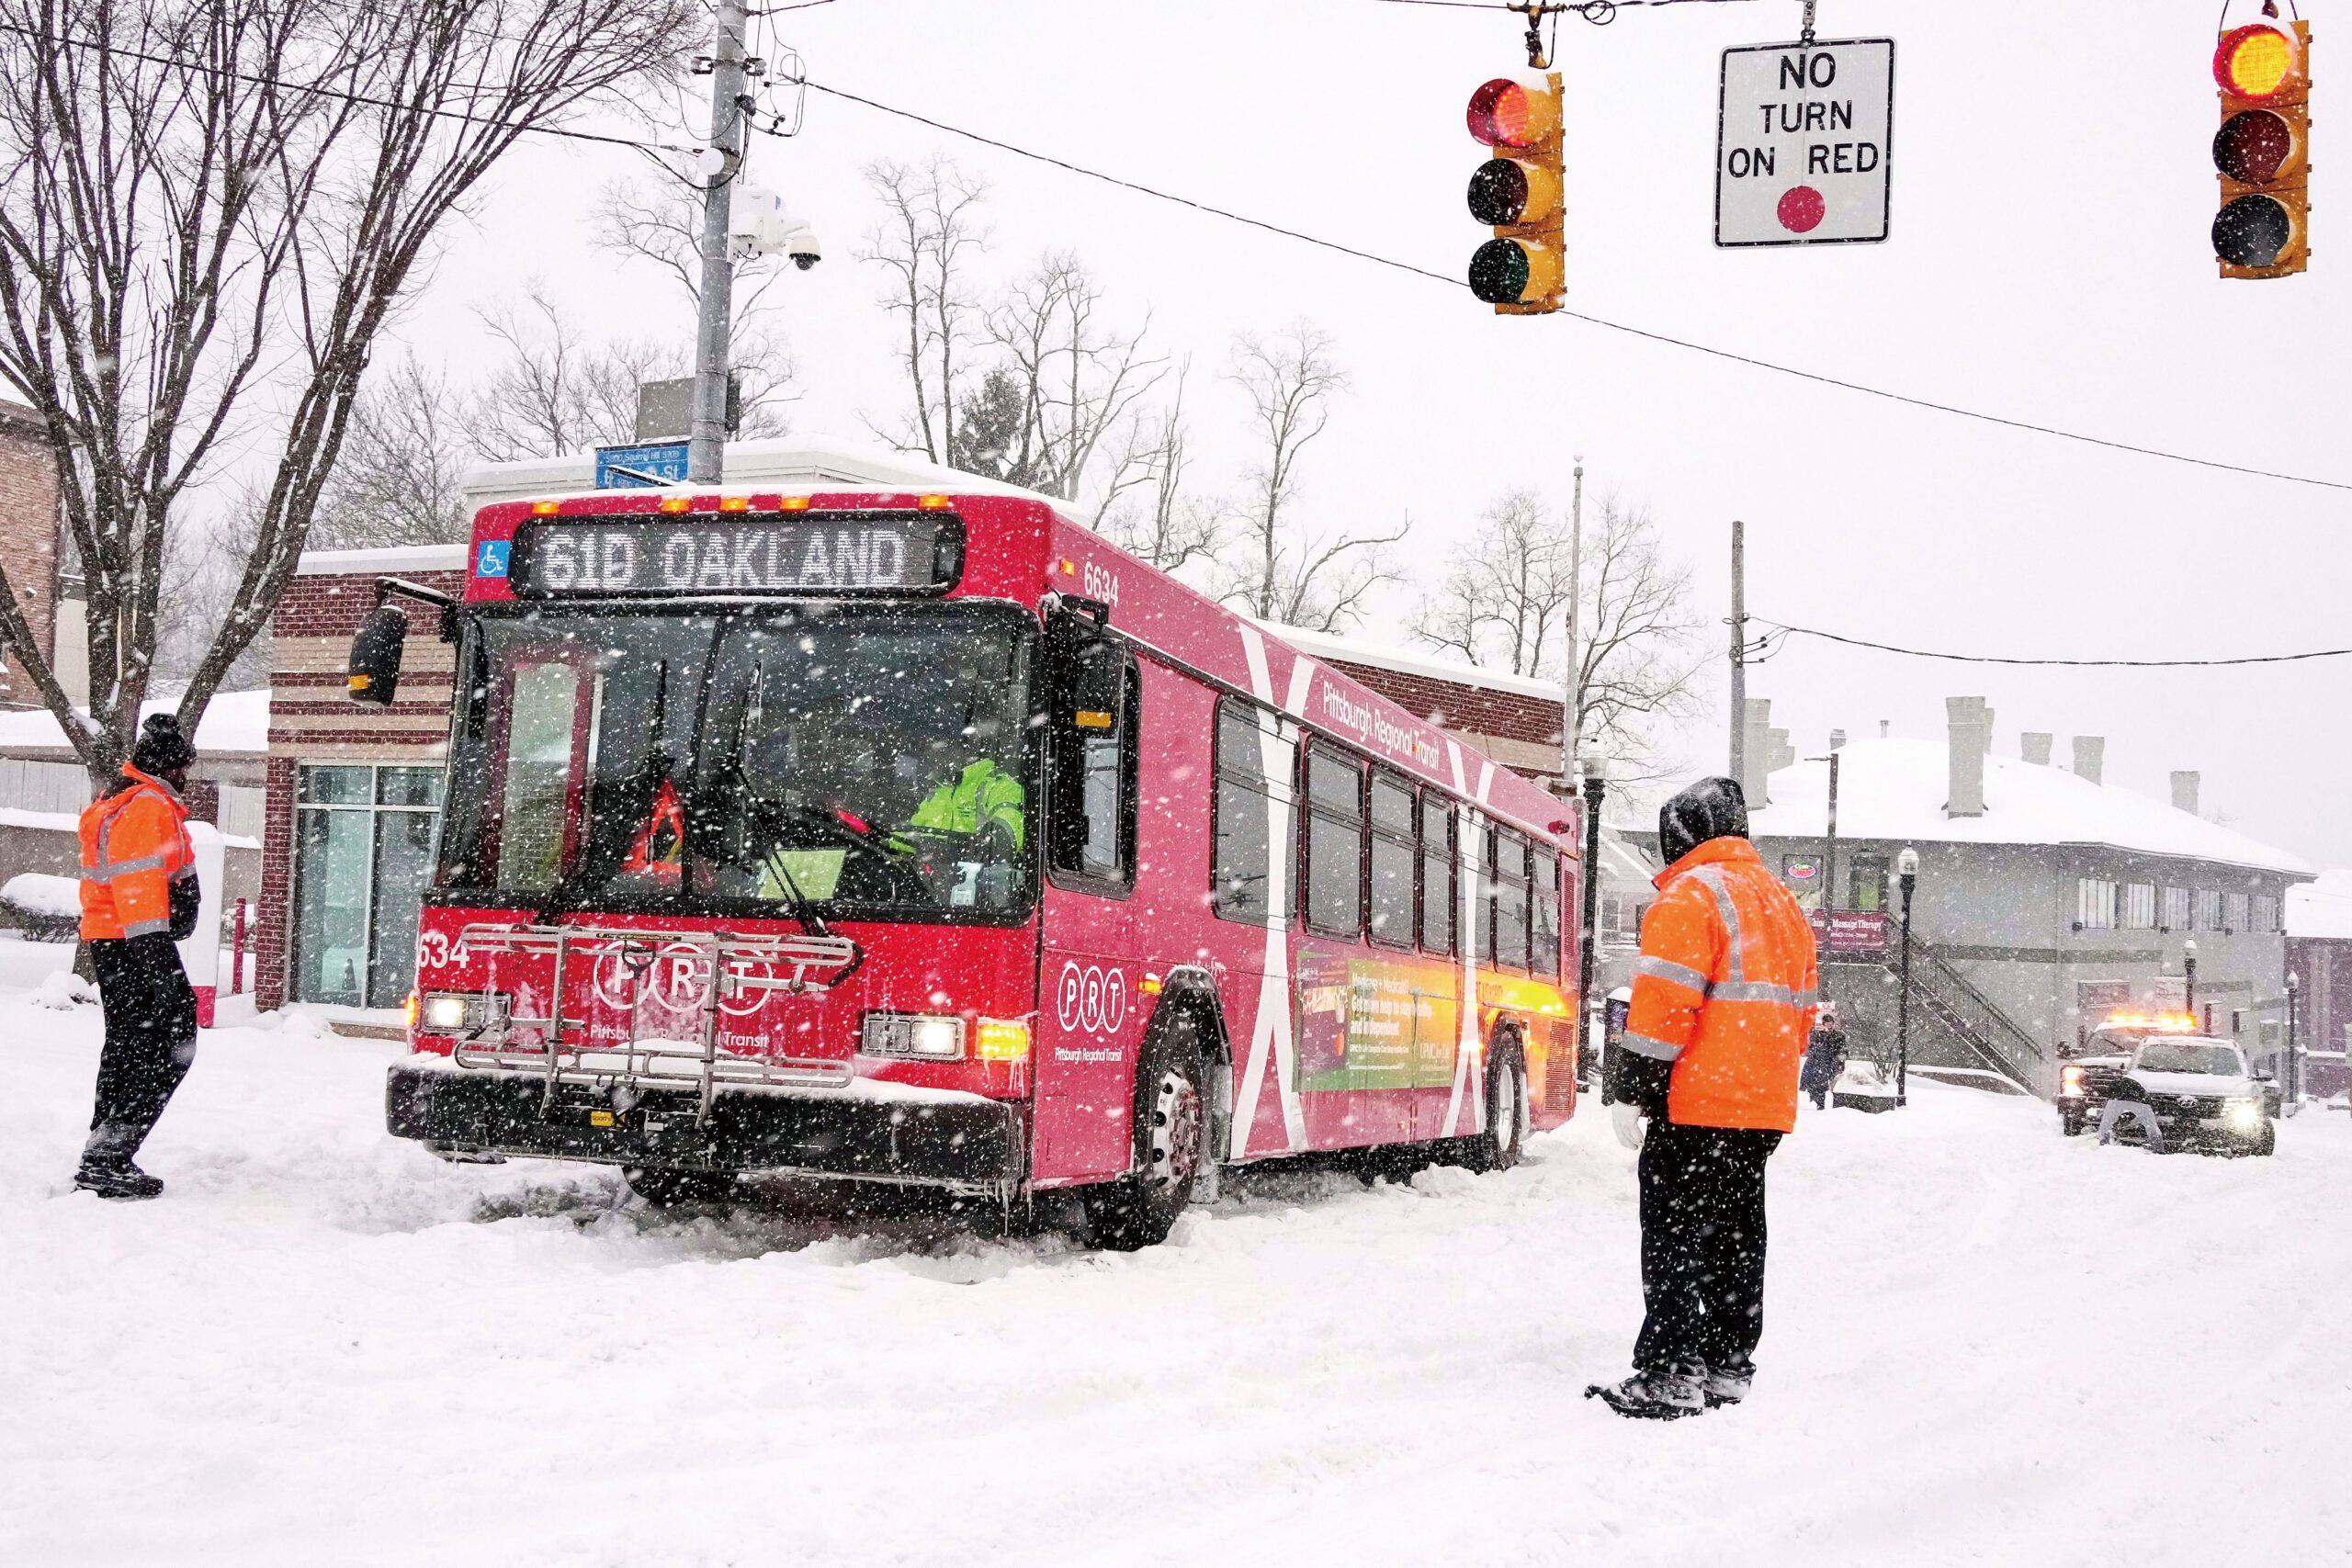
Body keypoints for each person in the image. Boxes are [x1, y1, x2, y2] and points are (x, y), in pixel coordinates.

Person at [1586, 776, 1819, 1421]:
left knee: (1675, 1235)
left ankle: (1671, 1372)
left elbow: (1664, 1006)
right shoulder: (1783, 903)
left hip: (1696, 1103)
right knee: (1737, 1236)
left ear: (1682, 836)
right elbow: (1802, 1017)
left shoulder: (1692, 895)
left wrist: (1631, 1090)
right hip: (1760, 1107)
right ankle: (1727, 1364)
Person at [74, 714, 203, 1201]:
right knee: (170, 1039)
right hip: (136, 941)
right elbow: (137, 886)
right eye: (183, 768)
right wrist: (160, 963)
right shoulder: (145, 805)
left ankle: (104, 1149)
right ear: (168, 768)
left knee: (130, 1043)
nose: (186, 776)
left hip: (117, 940)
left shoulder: (123, 798)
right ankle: (108, 1155)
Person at [1803, 1002, 1849, 1111]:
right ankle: (1820, 1105)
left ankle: (1838, 1107)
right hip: (1822, 1064)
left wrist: (1839, 1059)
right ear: (1823, 1024)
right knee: (1820, 1085)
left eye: (1830, 1023)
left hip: (1834, 1063)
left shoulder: (1839, 1035)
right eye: (1827, 1023)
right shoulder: (1818, 1035)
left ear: (1833, 1023)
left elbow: (1843, 1050)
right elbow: (1812, 1048)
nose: (1829, 1025)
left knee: (1836, 1085)